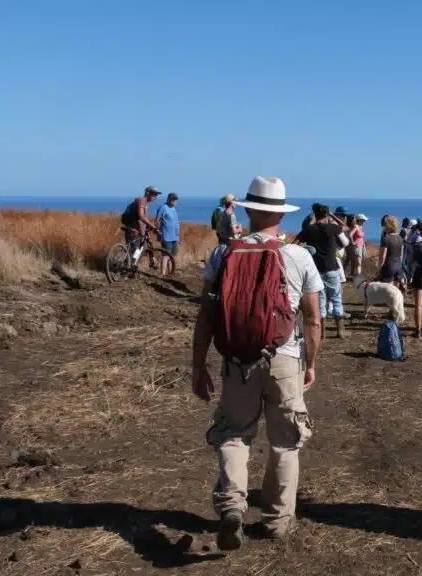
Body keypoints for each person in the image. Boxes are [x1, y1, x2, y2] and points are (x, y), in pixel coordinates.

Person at [191, 176, 322, 550]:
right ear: (280, 214)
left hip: (236, 361)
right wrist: (309, 362)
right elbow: (312, 318)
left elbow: (206, 316)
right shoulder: (298, 257)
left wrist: (198, 365)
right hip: (285, 359)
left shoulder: (222, 255)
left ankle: (232, 506)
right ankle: (278, 519)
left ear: (248, 210)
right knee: (285, 441)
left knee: (233, 434)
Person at [297, 205, 351, 339]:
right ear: (326, 215)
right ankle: (340, 330)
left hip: (316, 270)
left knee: (321, 300)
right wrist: (332, 215)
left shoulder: (309, 230)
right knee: (336, 298)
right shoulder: (332, 228)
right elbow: (346, 227)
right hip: (332, 268)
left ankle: (322, 332)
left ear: (315, 215)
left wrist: (310, 224)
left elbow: (295, 243)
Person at [120, 186, 161, 259]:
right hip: (133, 229)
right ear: (147, 193)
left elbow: (144, 220)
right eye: (154, 194)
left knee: (138, 250)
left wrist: (148, 228)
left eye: (156, 195)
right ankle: (126, 265)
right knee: (135, 250)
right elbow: (141, 216)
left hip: (137, 229)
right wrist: (153, 226)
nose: (156, 196)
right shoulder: (141, 201)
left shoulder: (145, 205)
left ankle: (131, 265)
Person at [378, 216, 407, 292]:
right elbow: (401, 255)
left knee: (388, 290)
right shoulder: (400, 238)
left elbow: (383, 256)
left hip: (388, 266)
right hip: (398, 266)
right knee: (396, 291)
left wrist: (379, 268)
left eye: (384, 225)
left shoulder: (386, 238)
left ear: (388, 226)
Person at [154, 193, 181, 268]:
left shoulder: (174, 208)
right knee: (166, 255)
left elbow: (176, 223)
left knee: (172, 255)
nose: (174, 201)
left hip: (174, 236)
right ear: (168, 199)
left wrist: (178, 236)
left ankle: (169, 273)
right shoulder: (163, 207)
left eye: (175, 199)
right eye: (172, 199)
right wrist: (157, 231)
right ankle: (162, 274)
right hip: (166, 236)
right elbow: (157, 220)